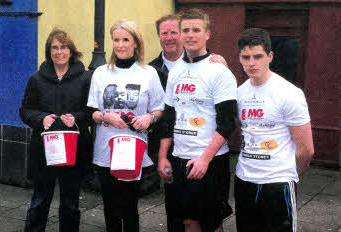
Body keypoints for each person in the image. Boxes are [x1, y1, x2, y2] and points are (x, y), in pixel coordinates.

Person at [158, 8, 237, 232]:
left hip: (210, 162)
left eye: (196, 30)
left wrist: (204, 159)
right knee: (185, 221)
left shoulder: (218, 71)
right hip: (179, 159)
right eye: (186, 30)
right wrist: (164, 156)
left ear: (207, 34)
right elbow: (169, 117)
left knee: (210, 224)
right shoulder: (175, 71)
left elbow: (228, 122)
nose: (190, 35)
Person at [87, 19, 164, 232]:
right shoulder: (101, 72)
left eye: (125, 40)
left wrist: (149, 118)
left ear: (136, 42)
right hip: (106, 150)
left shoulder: (149, 73)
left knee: (130, 206)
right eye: (116, 40)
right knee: (110, 207)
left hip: (134, 149)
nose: (120, 45)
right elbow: (91, 111)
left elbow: (159, 108)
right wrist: (105, 117)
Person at [234, 28, 314, 232]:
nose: (252, 63)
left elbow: (306, 149)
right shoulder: (240, 93)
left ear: (270, 56)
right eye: (246, 57)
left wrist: (290, 172)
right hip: (245, 180)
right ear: (240, 58)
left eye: (258, 56)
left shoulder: (289, 93)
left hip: (277, 183)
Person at [19, 28, 92, 232]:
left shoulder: (86, 78)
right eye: (54, 47)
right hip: (44, 150)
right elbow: (25, 110)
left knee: (70, 203)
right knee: (40, 200)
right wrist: (40, 118)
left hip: (74, 149)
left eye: (64, 47)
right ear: (48, 51)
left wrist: (76, 118)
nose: (59, 51)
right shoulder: (37, 78)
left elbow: (92, 112)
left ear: (72, 50)